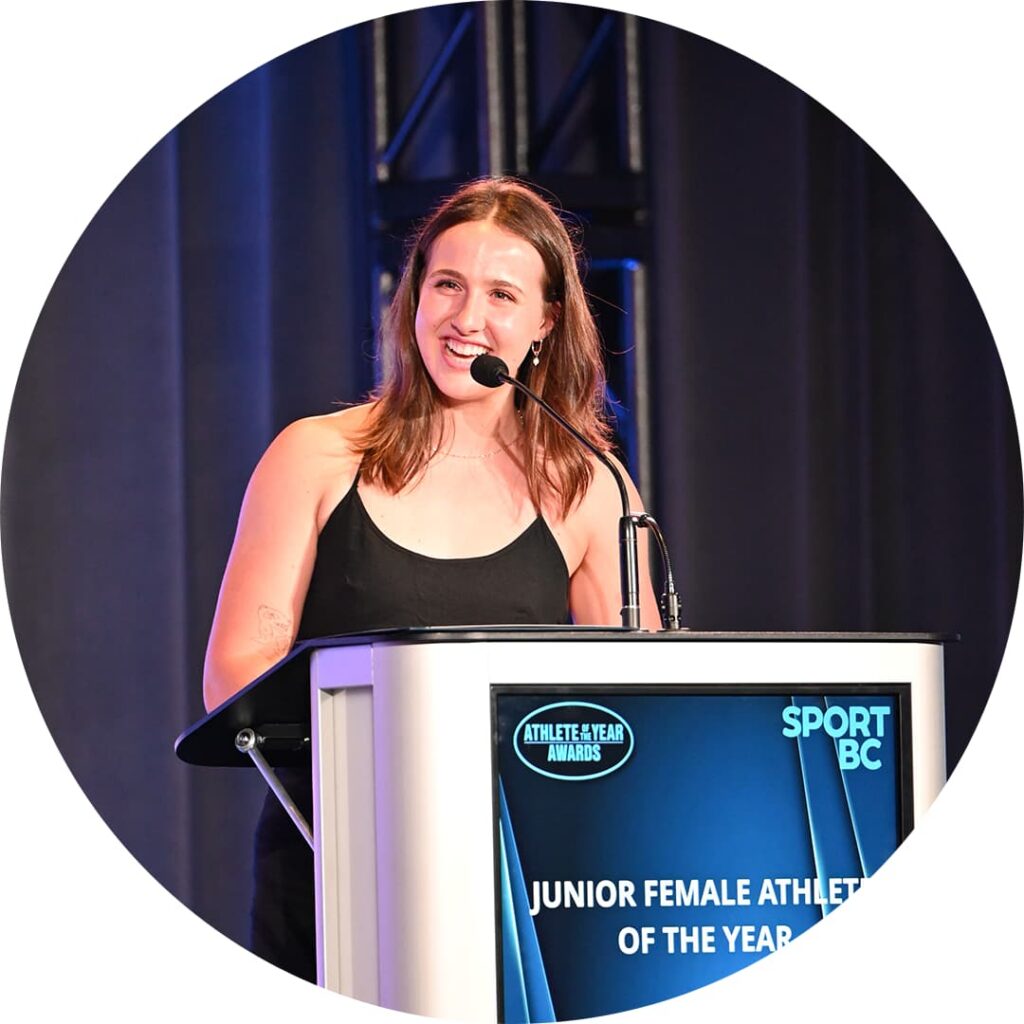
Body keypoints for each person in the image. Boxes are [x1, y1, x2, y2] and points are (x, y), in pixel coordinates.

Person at [202, 176, 660, 980]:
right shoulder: (315, 456)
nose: (466, 318)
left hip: (527, 877)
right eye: (446, 284)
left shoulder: (592, 486)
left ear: (546, 322)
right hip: (334, 859)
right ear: (414, 296)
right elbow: (235, 675)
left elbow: (643, 697)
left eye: (501, 294)